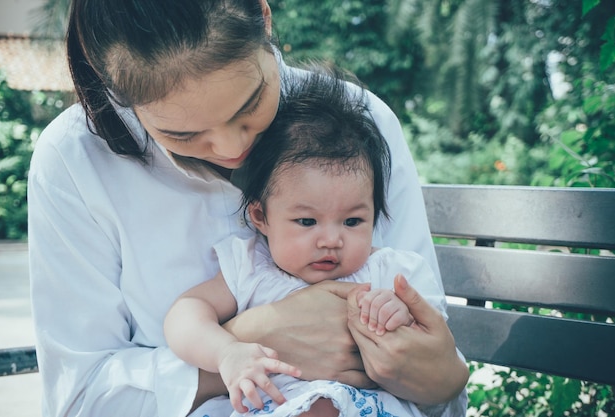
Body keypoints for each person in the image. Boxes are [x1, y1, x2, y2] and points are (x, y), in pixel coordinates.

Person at [27, 1, 469, 416]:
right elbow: (80, 399)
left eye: (251, 103)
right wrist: (247, 342)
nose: (233, 148)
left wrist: (439, 374)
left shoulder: (357, 128)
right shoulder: (75, 161)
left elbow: (438, 374)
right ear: (114, 85)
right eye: (183, 134)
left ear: (264, 15)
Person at [164, 70, 455, 417]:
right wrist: (226, 352)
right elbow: (185, 314)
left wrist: (399, 317)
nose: (331, 239)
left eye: (352, 221)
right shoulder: (249, 265)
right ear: (261, 217)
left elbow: (433, 345)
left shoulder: (391, 274)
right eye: (306, 221)